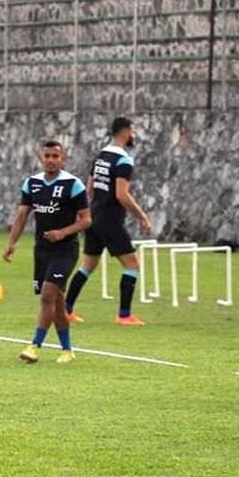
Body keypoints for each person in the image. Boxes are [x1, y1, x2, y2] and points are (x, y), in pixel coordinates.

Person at [3, 140, 92, 364]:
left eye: (55, 156)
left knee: (47, 295)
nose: (51, 160)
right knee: (57, 301)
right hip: (42, 250)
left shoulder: (73, 184)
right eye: (47, 156)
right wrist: (12, 242)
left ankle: (34, 346)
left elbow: (86, 220)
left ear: (63, 159)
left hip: (65, 249)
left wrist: (62, 233)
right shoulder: (32, 183)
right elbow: (22, 215)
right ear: (41, 158)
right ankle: (67, 350)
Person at [63, 117, 153, 325]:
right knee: (132, 265)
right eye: (133, 131)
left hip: (93, 216)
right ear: (126, 131)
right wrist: (142, 215)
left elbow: (90, 189)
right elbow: (122, 194)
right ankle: (124, 315)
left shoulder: (101, 156)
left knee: (87, 266)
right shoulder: (124, 160)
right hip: (110, 220)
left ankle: (66, 309)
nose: (133, 135)